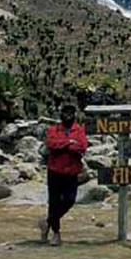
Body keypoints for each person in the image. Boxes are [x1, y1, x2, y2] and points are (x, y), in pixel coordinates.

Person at [38, 104, 87, 246]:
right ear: (61, 114)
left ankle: (48, 222)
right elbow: (51, 144)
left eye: (71, 113)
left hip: (72, 171)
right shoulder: (54, 129)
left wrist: (64, 145)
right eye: (65, 113)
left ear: (74, 114)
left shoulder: (79, 130)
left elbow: (82, 146)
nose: (68, 115)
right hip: (55, 170)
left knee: (70, 200)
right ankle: (56, 233)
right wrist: (69, 143)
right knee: (53, 202)